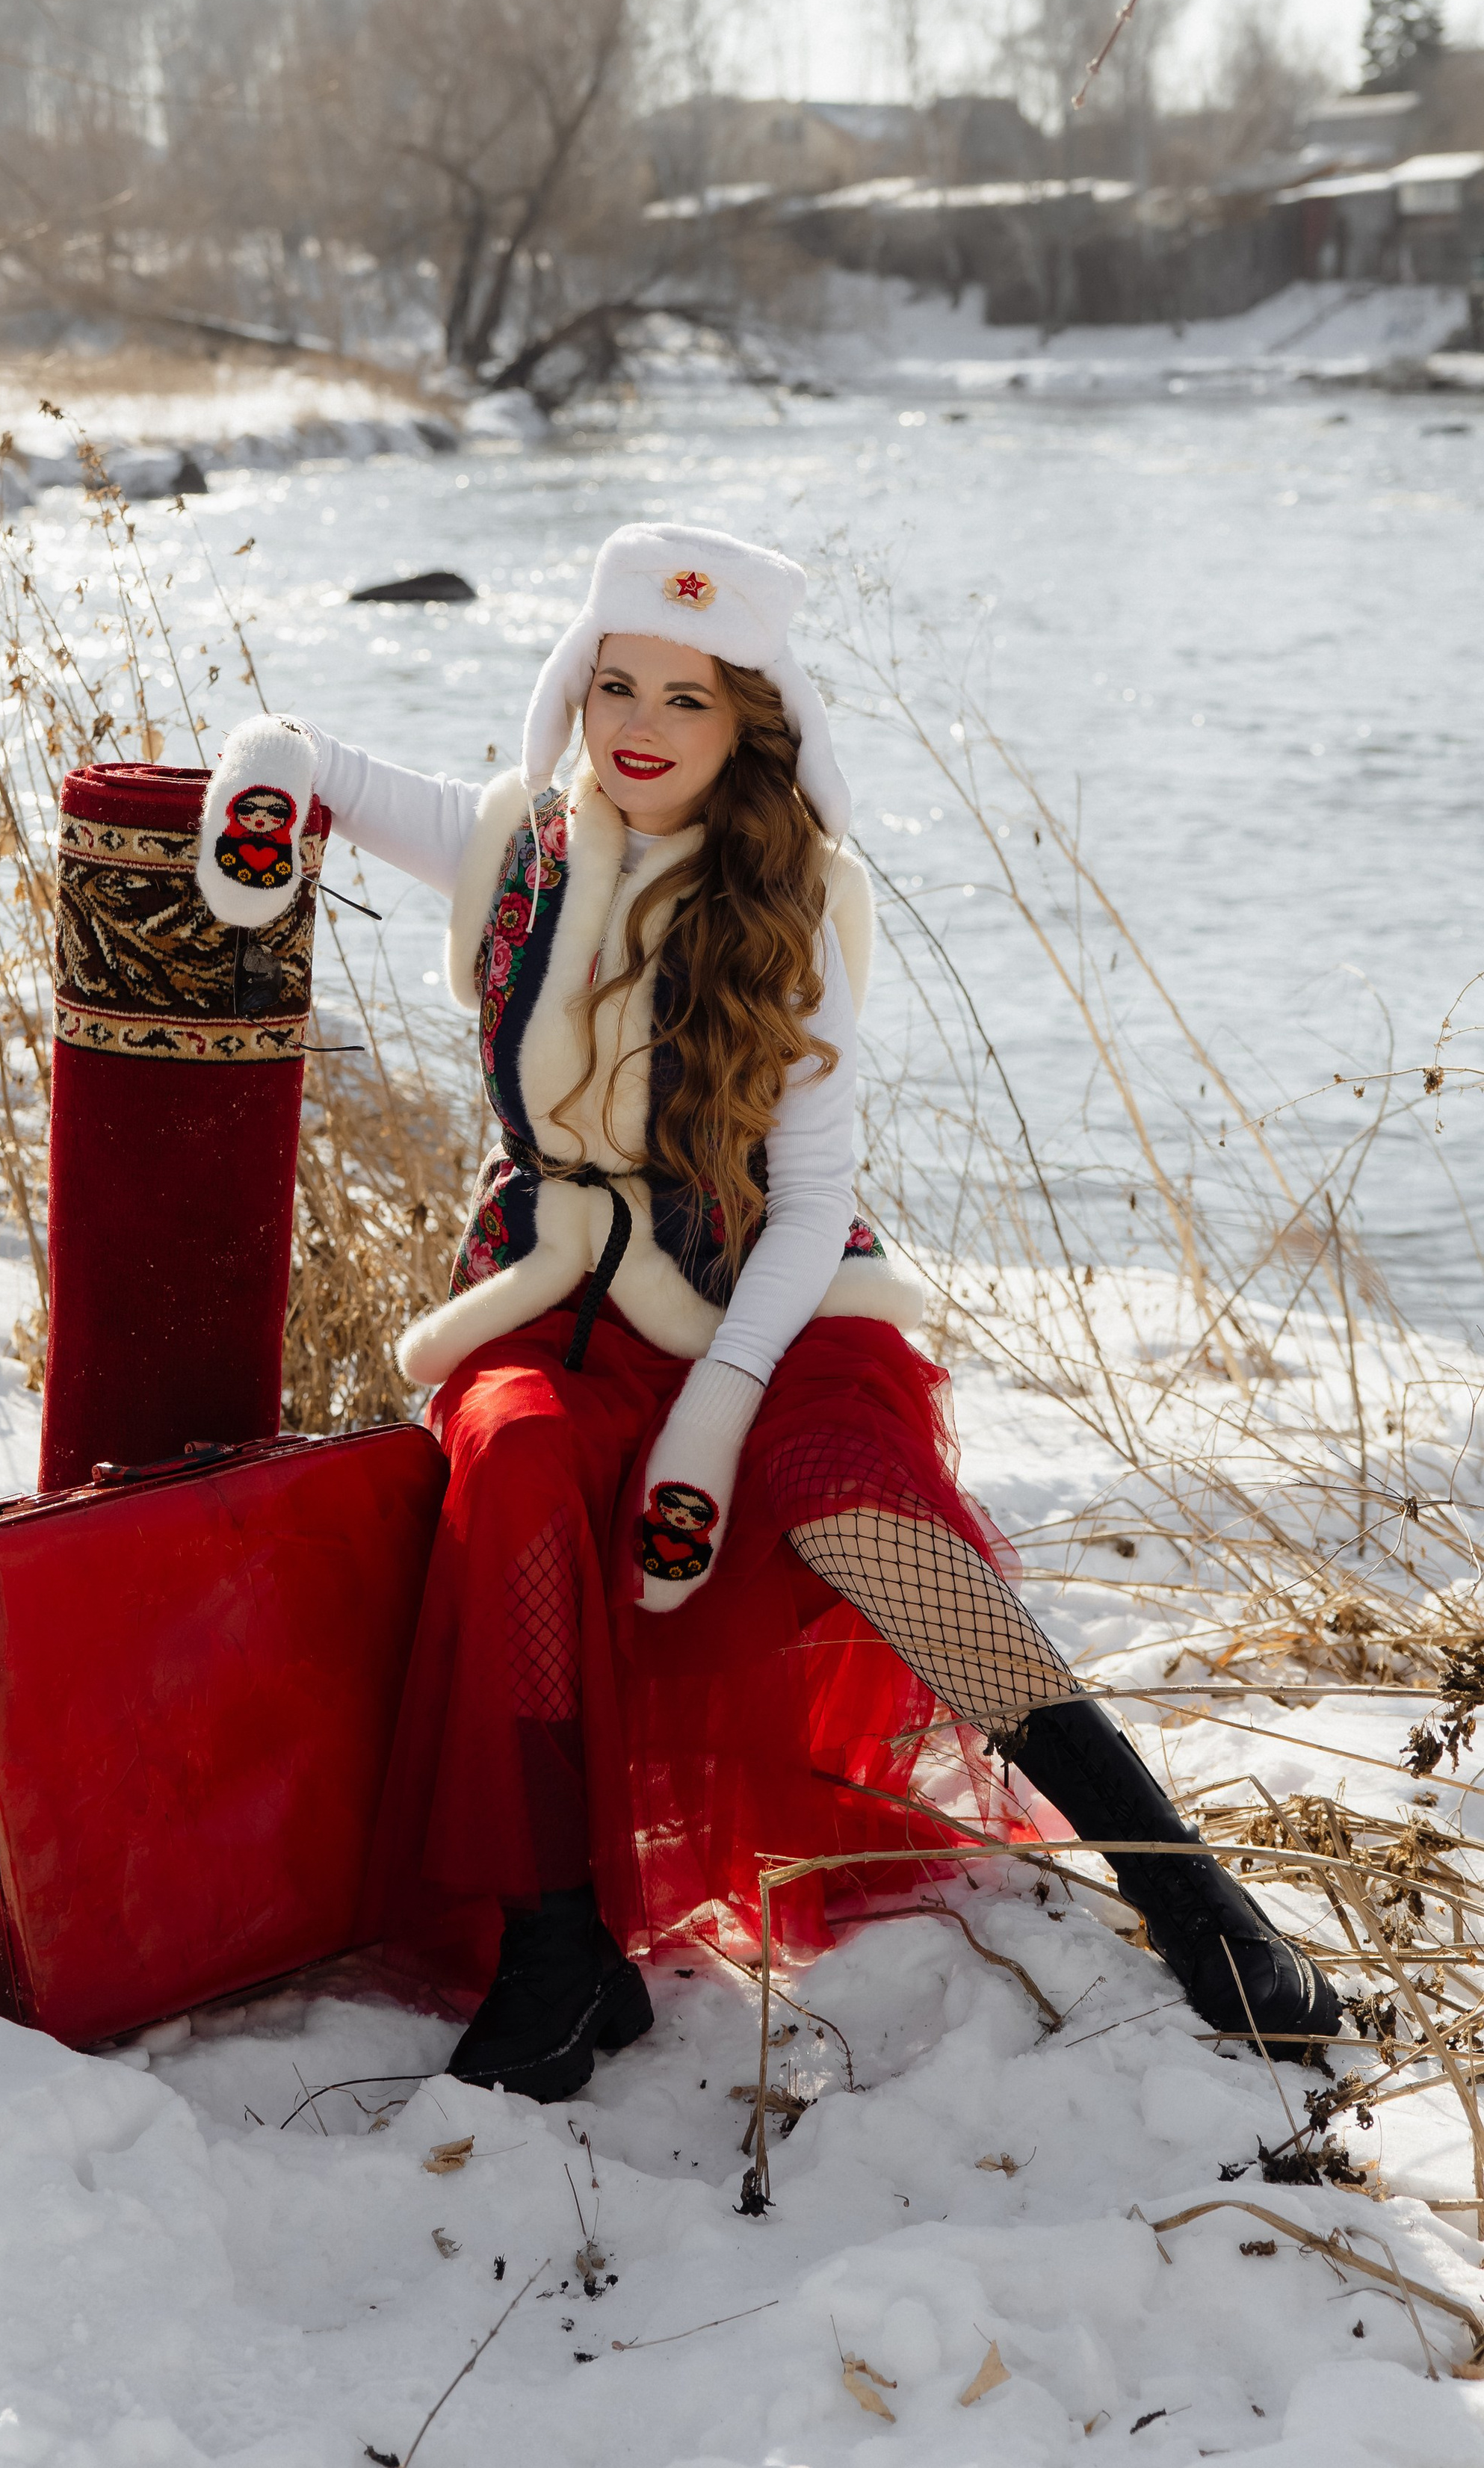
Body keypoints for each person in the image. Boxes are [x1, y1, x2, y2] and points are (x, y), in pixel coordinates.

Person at [205, 523, 1339, 2102]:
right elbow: (302, 753)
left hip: (763, 1305)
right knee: (512, 1465)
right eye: (614, 683)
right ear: (572, 686)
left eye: (686, 695)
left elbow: (809, 1206)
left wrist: (714, 1417)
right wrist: (253, 795)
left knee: (852, 1505)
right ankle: (557, 1943)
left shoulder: (793, 908)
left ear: (750, 725)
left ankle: (1179, 1883)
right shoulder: (516, 845)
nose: (639, 724)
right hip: (543, 1308)